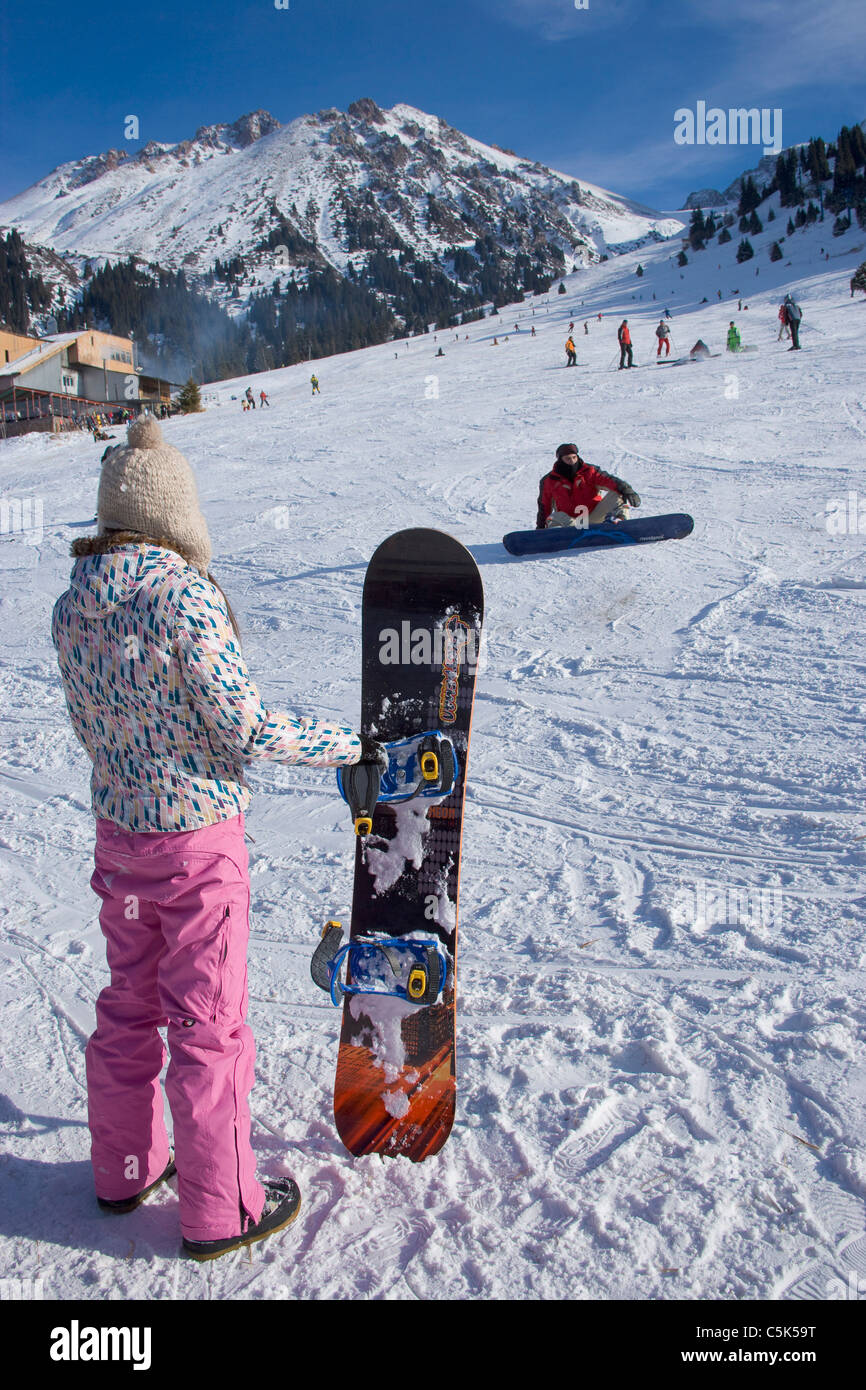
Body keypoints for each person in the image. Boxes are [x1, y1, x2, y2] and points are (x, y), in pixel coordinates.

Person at [50, 417, 382, 1261]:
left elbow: (95, 724)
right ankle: (220, 1208)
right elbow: (245, 725)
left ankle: (125, 1166)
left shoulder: (74, 599)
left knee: (129, 1003)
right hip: (195, 847)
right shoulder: (180, 591)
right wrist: (350, 745)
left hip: (119, 843)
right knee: (208, 1026)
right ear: (175, 511)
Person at [536, 443, 640, 529]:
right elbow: (544, 506)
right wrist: (539, 529)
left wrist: (627, 490)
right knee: (553, 516)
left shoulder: (589, 471)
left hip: (594, 516)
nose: (572, 461)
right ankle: (557, 536)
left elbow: (611, 481)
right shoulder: (549, 481)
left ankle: (620, 524)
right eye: (568, 459)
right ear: (560, 460)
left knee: (617, 494)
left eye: (574, 457)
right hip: (570, 523)